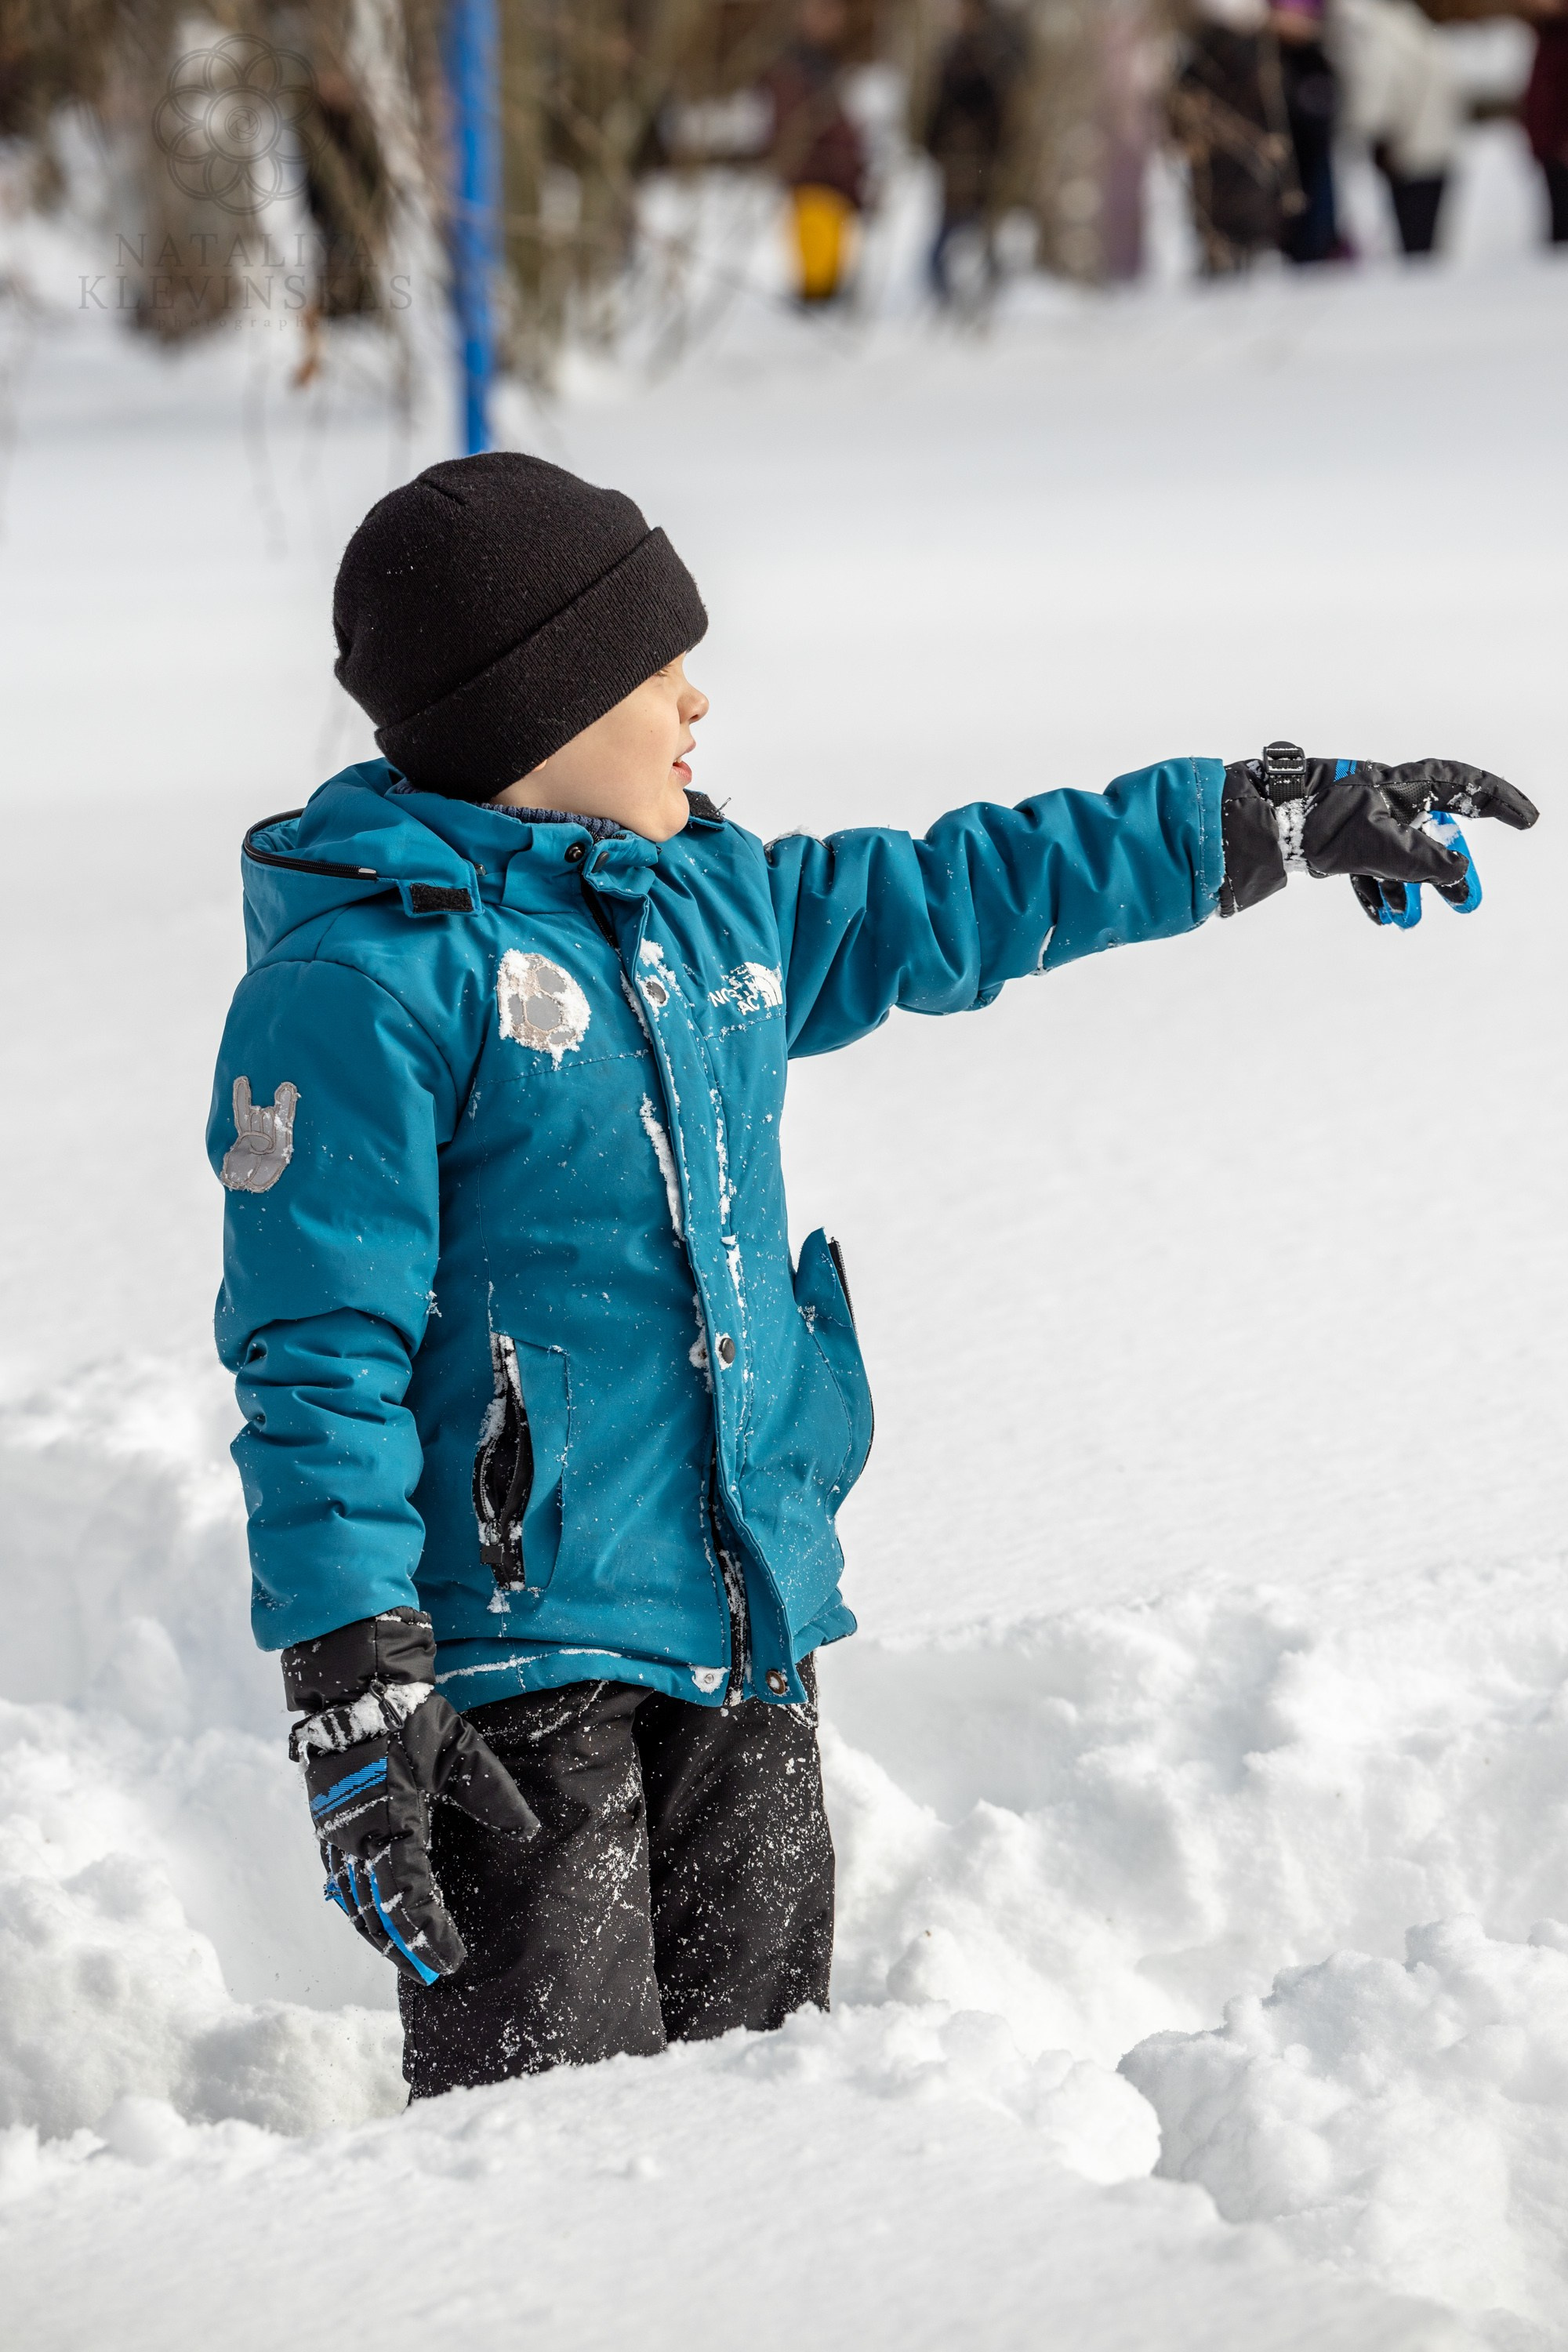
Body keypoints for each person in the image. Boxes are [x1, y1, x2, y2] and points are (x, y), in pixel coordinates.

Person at [209, 454, 1537, 2100]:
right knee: (554, 2154)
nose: (697, 698)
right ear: (528, 716)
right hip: (514, 1680)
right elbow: (313, 1350)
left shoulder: (709, 905)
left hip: (743, 1612)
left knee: (773, 2114)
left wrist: (1254, 819)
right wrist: (351, 1676)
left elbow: (965, 889)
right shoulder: (367, 989)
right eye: (648, 670)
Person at [1334, 0, 1461, 255]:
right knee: (1428, 246)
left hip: (1407, 149)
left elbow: (1380, 86)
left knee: (1415, 249)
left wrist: (1368, 129)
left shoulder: (1380, 29)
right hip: (1437, 145)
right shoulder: (1416, 24)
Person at [760, 0, 868, 302]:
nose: (833, 21)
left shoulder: (829, 60)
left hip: (835, 180)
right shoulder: (793, 64)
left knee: (831, 266)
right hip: (812, 176)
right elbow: (790, 123)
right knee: (815, 276)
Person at [921, 0, 1027, 303]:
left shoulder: (996, 53)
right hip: (953, 155)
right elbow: (937, 106)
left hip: (983, 154)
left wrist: (1002, 147)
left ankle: (985, 286)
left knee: (981, 222)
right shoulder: (950, 52)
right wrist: (931, 144)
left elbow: (1001, 107)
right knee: (949, 223)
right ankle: (938, 287)